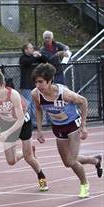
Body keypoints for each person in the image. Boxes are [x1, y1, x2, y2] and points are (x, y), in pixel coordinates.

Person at [31, 63, 102, 198]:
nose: (38, 85)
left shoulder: (65, 94)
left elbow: (84, 101)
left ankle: (84, 185)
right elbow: (39, 109)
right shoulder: (36, 94)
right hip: (58, 127)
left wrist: (84, 125)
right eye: (35, 82)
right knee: (67, 162)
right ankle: (95, 160)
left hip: (72, 126)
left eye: (40, 82)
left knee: (71, 161)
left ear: (49, 80)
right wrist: (39, 130)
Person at [0, 70, 48, 191]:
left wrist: (7, 133)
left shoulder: (13, 95)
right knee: (11, 161)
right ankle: (25, 152)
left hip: (22, 123)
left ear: (3, 85)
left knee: (29, 158)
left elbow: (20, 120)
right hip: (6, 123)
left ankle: (41, 176)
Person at [19, 42, 48, 126]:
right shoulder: (23, 58)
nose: (32, 49)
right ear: (25, 50)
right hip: (26, 85)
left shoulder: (35, 57)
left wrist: (40, 55)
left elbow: (46, 61)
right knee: (27, 105)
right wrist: (34, 56)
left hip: (35, 85)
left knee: (36, 104)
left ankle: (36, 123)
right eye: (30, 48)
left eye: (32, 48)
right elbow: (27, 62)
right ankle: (27, 123)